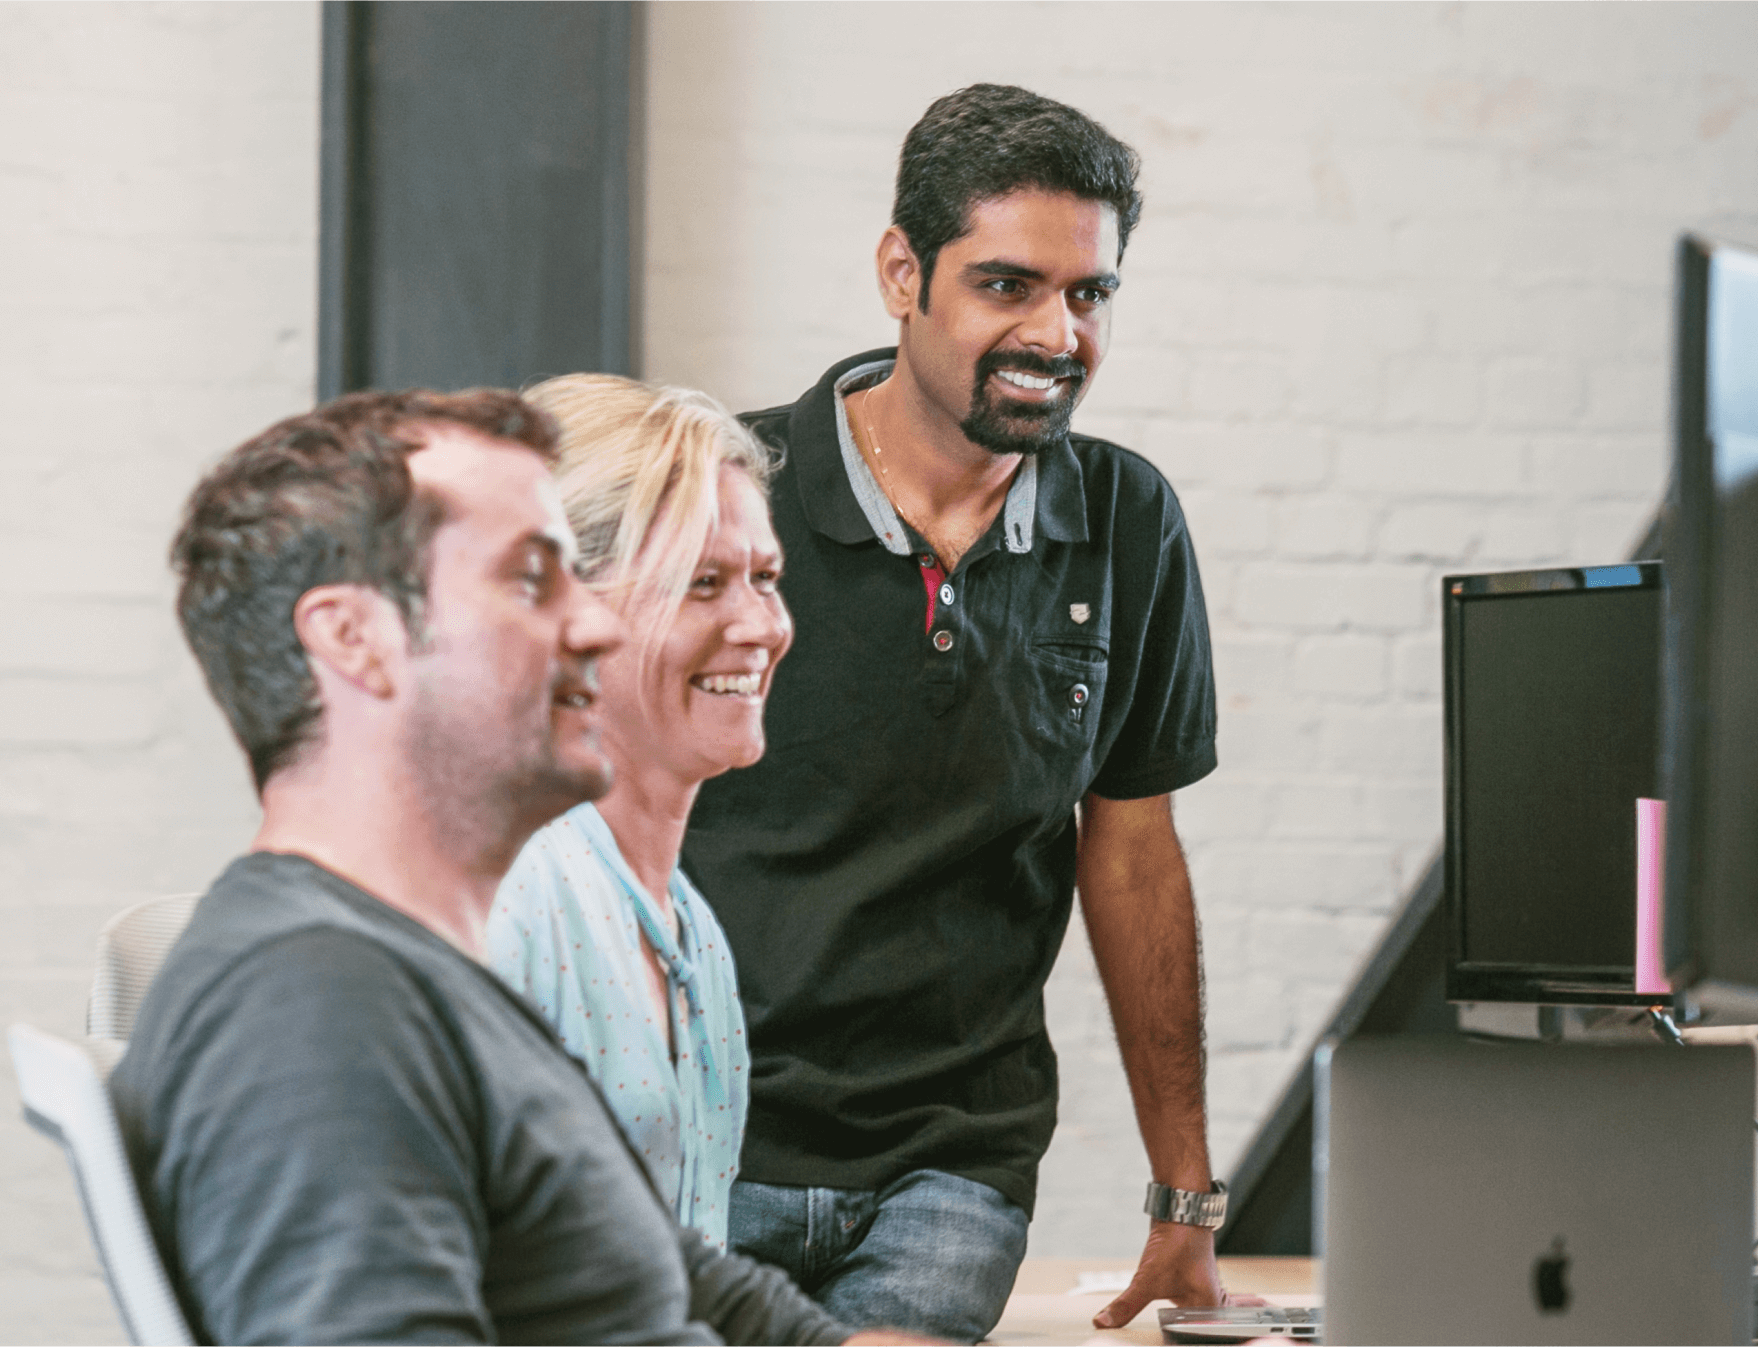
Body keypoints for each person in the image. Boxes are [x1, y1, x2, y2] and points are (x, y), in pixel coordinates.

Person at [112, 389, 922, 1347]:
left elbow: (683, 1278)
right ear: (354, 640)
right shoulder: (314, 1000)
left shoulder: (416, 966)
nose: (592, 626)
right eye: (535, 581)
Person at [684, 83, 1226, 1341]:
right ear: (900, 272)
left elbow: (1132, 853)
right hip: (703, 1145)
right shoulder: (724, 499)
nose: (1056, 332)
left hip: (951, 1168)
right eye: (1006, 286)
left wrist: (1185, 1199)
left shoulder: (1127, 523)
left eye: (1088, 294)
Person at [488, 374, 787, 1249]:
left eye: (764, 577)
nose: (758, 624)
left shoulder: (686, 930)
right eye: (701, 582)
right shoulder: (512, 897)